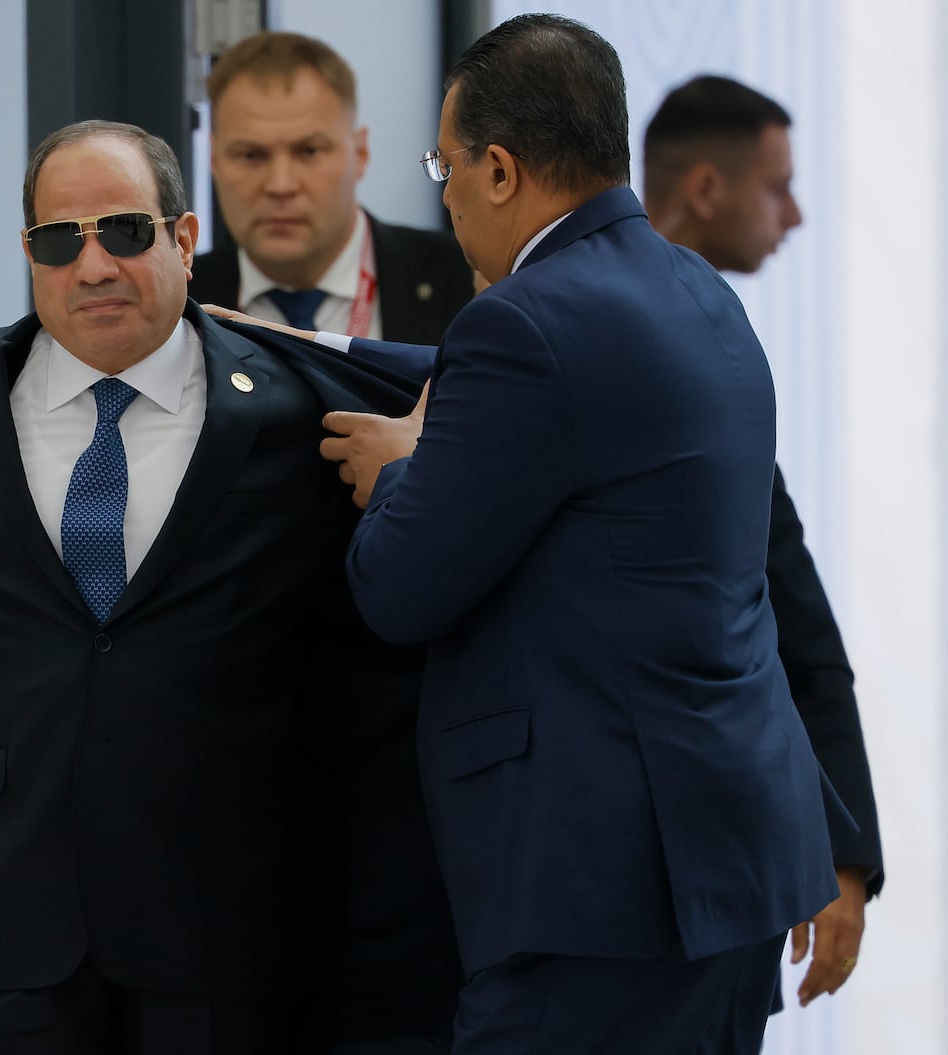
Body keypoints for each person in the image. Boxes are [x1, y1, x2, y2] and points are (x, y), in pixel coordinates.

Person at [0, 119, 464, 1054]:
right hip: (9, 923)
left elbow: (363, 653)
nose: (93, 265)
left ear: (185, 240)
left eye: (123, 231)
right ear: (28, 255)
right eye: (58, 241)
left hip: (228, 932)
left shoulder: (288, 411)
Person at [317, 16, 841, 1053]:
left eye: (447, 164)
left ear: (500, 169)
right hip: (724, 860)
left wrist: (402, 469)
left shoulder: (517, 324)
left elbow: (398, 587)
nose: (447, 190)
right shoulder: (699, 291)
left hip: (594, 882)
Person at [643, 73, 883, 1010]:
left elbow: (783, 609)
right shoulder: (675, 351)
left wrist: (845, 847)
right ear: (706, 188)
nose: (795, 214)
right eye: (777, 185)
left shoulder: (713, 345)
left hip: (702, 878)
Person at [190, 31, 472, 343]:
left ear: (360, 154)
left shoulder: (466, 283)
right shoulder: (177, 306)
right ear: (214, 161)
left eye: (309, 151)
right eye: (250, 155)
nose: (280, 186)